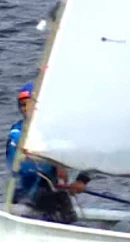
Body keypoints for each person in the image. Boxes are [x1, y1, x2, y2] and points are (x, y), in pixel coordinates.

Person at [6, 81, 90, 224]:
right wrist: (54, 162)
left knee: (59, 201)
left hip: (54, 195)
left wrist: (81, 180)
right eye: (22, 105)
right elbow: (22, 157)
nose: (25, 109)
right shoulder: (17, 132)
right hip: (26, 195)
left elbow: (86, 156)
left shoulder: (58, 133)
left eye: (29, 104)